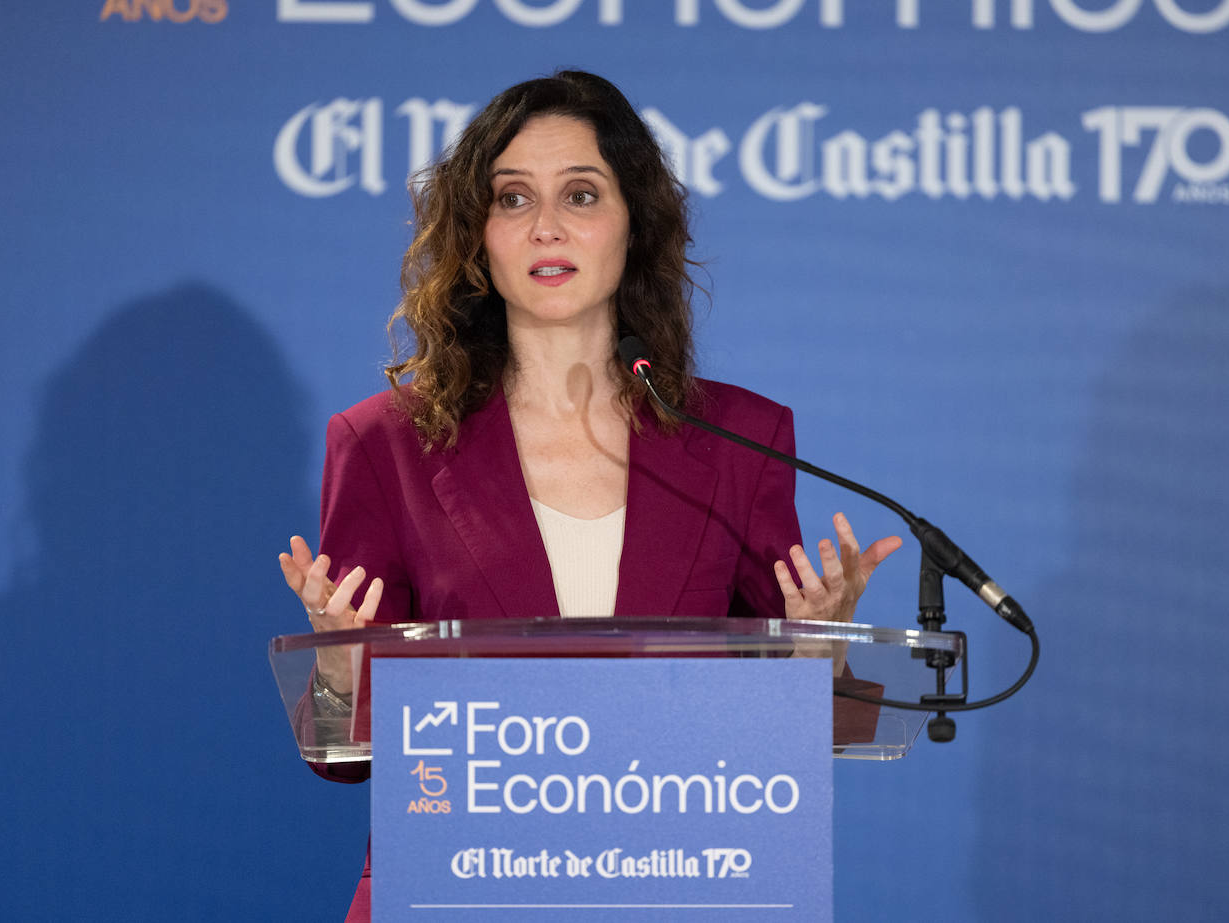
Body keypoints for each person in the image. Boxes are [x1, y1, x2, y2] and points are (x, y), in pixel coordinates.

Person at [277, 69, 901, 920]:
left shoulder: (737, 440)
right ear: (478, 235)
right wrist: (339, 664)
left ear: (633, 223)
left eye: (580, 194)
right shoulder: (383, 443)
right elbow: (343, 757)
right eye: (511, 199)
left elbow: (790, 739)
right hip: (457, 892)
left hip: (678, 890)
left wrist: (822, 648)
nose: (545, 227)